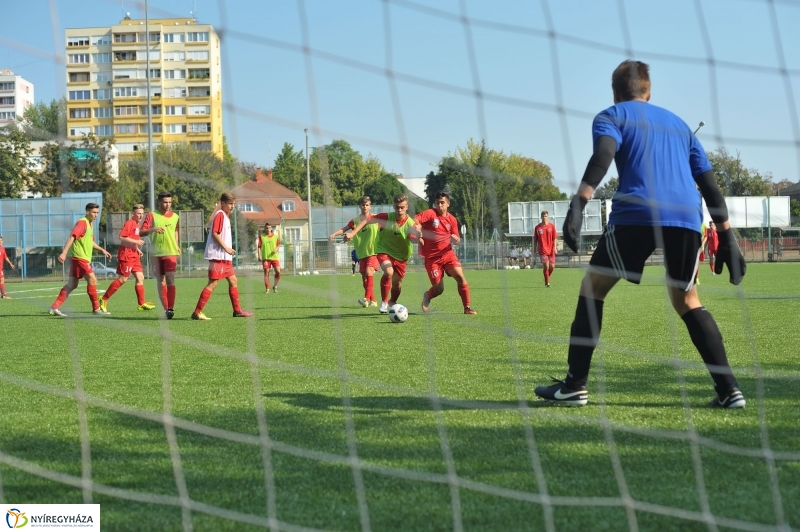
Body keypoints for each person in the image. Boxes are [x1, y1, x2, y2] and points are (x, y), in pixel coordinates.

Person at [534, 60, 747, 408]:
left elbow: (604, 153)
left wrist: (579, 202)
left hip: (637, 213)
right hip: (685, 217)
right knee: (687, 300)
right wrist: (727, 238)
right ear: (648, 92)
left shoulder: (612, 115)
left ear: (615, 92)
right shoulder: (680, 126)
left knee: (593, 287)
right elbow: (709, 186)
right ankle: (729, 390)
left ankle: (575, 386)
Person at [345, 193, 420, 313]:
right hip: (384, 250)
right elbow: (367, 220)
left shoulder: (411, 224)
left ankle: (392, 301)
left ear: (406, 207)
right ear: (393, 206)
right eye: (397, 207)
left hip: (401, 256)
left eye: (402, 207)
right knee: (388, 271)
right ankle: (384, 302)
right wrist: (353, 233)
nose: (399, 210)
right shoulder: (386, 217)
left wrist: (418, 236)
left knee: (397, 285)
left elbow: (414, 239)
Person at [191, 193, 254, 320]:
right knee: (213, 283)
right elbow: (215, 233)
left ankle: (237, 310)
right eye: (230, 204)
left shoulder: (225, 216)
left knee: (233, 281)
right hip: (218, 256)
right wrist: (226, 248)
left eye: (234, 204)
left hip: (225, 258)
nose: (232, 206)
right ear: (223, 203)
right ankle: (197, 312)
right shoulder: (219, 214)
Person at [417, 191, 477, 315]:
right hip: (432, 258)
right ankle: (427, 296)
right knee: (439, 289)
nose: (439, 205)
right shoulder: (430, 213)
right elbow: (416, 218)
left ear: (448, 204)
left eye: (442, 203)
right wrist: (417, 227)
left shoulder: (452, 220)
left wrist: (456, 240)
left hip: (447, 254)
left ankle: (467, 307)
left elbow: (457, 240)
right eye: (437, 203)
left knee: (460, 277)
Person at [48, 203, 113, 317]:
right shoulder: (82, 223)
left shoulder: (90, 225)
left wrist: (101, 249)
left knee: (72, 284)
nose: (96, 215)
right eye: (93, 212)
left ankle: (54, 307)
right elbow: (72, 236)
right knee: (92, 279)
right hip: (79, 257)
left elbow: (90, 242)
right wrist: (64, 253)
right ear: (87, 212)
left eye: (97, 213)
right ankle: (96, 309)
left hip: (80, 258)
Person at [99, 204, 156, 312]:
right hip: (126, 255)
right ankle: (104, 299)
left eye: (142, 214)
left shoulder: (137, 225)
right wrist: (137, 241)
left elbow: (131, 239)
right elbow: (122, 237)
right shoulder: (129, 223)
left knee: (140, 278)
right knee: (123, 279)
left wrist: (137, 249)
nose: (141, 216)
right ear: (133, 214)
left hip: (134, 255)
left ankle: (141, 304)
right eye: (138, 214)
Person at [330, 195, 381, 308]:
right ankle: (373, 301)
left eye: (367, 205)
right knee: (364, 278)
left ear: (370, 206)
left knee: (369, 271)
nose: (365, 207)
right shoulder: (355, 220)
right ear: (359, 206)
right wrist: (334, 234)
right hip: (361, 252)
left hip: (374, 251)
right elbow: (345, 229)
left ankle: (366, 299)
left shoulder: (376, 218)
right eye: (363, 205)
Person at [140, 192, 180, 319]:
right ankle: (166, 309)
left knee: (170, 278)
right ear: (159, 202)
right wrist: (153, 229)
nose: (168, 205)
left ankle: (170, 308)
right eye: (165, 202)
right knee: (161, 281)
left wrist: (177, 245)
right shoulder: (151, 215)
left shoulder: (175, 217)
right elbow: (141, 232)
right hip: (156, 254)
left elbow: (176, 231)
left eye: (169, 202)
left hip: (170, 252)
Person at [533, 211, 558, 287]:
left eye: (546, 216)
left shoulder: (552, 226)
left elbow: (554, 238)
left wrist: (555, 248)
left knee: (552, 266)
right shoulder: (538, 228)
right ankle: (547, 283)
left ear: (548, 217)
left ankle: (546, 277)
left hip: (551, 249)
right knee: (546, 266)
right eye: (543, 216)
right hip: (542, 249)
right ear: (541, 217)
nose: (544, 217)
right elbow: (535, 240)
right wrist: (534, 250)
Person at [257, 222, 281, 294]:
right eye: (266, 228)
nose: (268, 229)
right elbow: (259, 247)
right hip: (266, 258)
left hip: (274, 257)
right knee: (266, 272)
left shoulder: (275, 237)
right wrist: (259, 255)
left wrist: (276, 249)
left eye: (269, 228)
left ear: (271, 229)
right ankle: (267, 289)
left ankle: (275, 286)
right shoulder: (262, 237)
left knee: (278, 271)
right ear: (264, 229)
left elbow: (278, 245)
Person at [695, 221, 707, 285]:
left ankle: (696, 278)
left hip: (699, 247)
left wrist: (702, 243)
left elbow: (706, 236)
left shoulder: (703, 225)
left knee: (697, 263)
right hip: (690, 246)